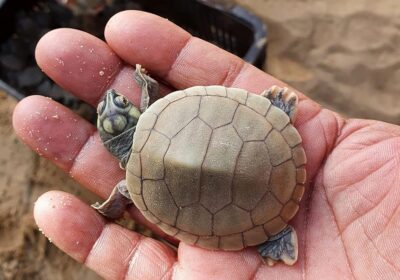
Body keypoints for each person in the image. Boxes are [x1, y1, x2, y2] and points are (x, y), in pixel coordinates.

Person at [12, 10, 400, 280]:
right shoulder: (157, 113)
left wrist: (108, 210)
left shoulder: (133, 189)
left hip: (261, 218)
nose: (117, 101)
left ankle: (272, 234)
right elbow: (152, 93)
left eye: (118, 103)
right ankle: (274, 116)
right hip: (269, 146)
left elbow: (120, 198)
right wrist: (145, 81)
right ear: (126, 123)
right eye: (119, 108)